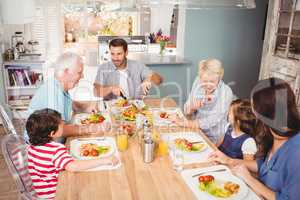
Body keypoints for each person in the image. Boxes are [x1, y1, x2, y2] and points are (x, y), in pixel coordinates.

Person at [209, 77, 300, 200]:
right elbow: (264, 167)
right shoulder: (273, 133)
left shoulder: (296, 152)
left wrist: (249, 179)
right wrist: (229, 160)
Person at [26, 108, 119, 199]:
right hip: (56, 194)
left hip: (41, 194)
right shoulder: (56, 150)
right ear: (52, 133)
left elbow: (49, 161)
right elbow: (73, 167)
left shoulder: (31, 147)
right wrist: (105, 160)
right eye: (60, 123)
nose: (63, 123)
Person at [26, 52, 107, 142]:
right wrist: (91, 128)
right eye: (79, 72)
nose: (82, 76)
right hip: (42, 150)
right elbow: (60, 130)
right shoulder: (53, 92)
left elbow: (72, 104)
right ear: (65, 72)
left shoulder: (58, 85)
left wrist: (87, 106)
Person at [172, 58, 233, 144]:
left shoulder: (226, 92)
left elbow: (213, 120)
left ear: (220, 76)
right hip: (195, 131)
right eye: (204, 81)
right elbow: (186, 110)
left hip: (215, 139)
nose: (208, 85)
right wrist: (192, 107)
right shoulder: (198, 81)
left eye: (212, 81)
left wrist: (186, 123)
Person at [93, 38, 163, 100]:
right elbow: (95, 92)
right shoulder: (103, 68)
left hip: (134, 109)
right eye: (112, 54)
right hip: (111, 109)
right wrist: (110, 89)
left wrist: (149, 79)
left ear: (126, 53)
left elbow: (159, 80)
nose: (115, 58)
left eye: (119, 54)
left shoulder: (138, 66)